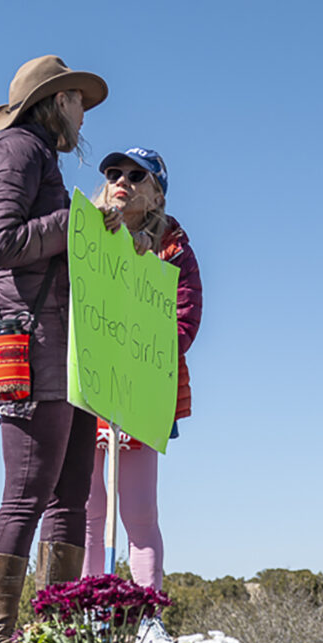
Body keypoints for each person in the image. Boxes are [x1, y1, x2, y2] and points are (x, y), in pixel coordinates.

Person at [0, 54, 109, 643]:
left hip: (69, 350)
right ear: (53, 101)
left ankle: (54, 641)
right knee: (26, 495)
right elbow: (0, 240)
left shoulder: (38, 156)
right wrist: (78, 222)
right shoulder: (15, 151)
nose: (82, 112)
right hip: (30, 341)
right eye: (77, 99)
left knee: (69, 497)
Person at [79, 148, 202, 594]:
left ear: (156, 197)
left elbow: (184, 323)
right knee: (90, 511)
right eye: (114, 172)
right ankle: (90, 611)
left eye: (137, 176)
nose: (122, 181)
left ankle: (146, 611)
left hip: (142, 395)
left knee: (139, 513)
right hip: (87, 389)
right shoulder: (82, 230)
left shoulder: (174, 250)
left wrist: (147, 266)